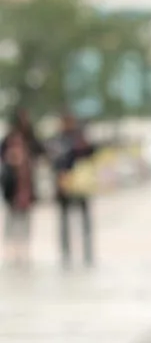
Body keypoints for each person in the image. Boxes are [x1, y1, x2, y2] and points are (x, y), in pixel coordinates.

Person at [50, 111, 96, 268]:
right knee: (65, 221)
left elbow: (90, 153)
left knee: (84, 219)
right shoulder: (59, 139)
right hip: (65, 184)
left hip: (79, 183)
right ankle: (66, 253)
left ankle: (87, 251)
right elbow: (56, 161)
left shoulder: (79, 138)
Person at [1, 108, 43, 268]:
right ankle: (11, 249)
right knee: (12, 218)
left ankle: (24, 248)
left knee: (25, 218)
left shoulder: (30, 139)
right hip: (12, 184)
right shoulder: (8, 139)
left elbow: (41, 153)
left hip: (26, 184)